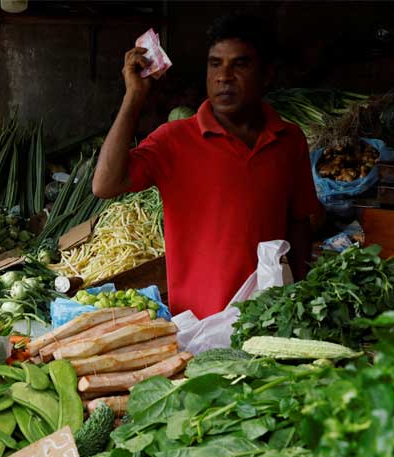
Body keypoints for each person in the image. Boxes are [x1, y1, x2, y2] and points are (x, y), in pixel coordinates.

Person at [92, 15, 323, 318]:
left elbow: (298, 223)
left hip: (268, 317)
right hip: (198, 324)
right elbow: (105, 184)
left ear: (267, 75)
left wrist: (300, 294)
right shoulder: (174, 140)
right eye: (215, 64)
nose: (223, 76)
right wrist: (134, 97)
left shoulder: (289, 140)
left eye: (239, 64)